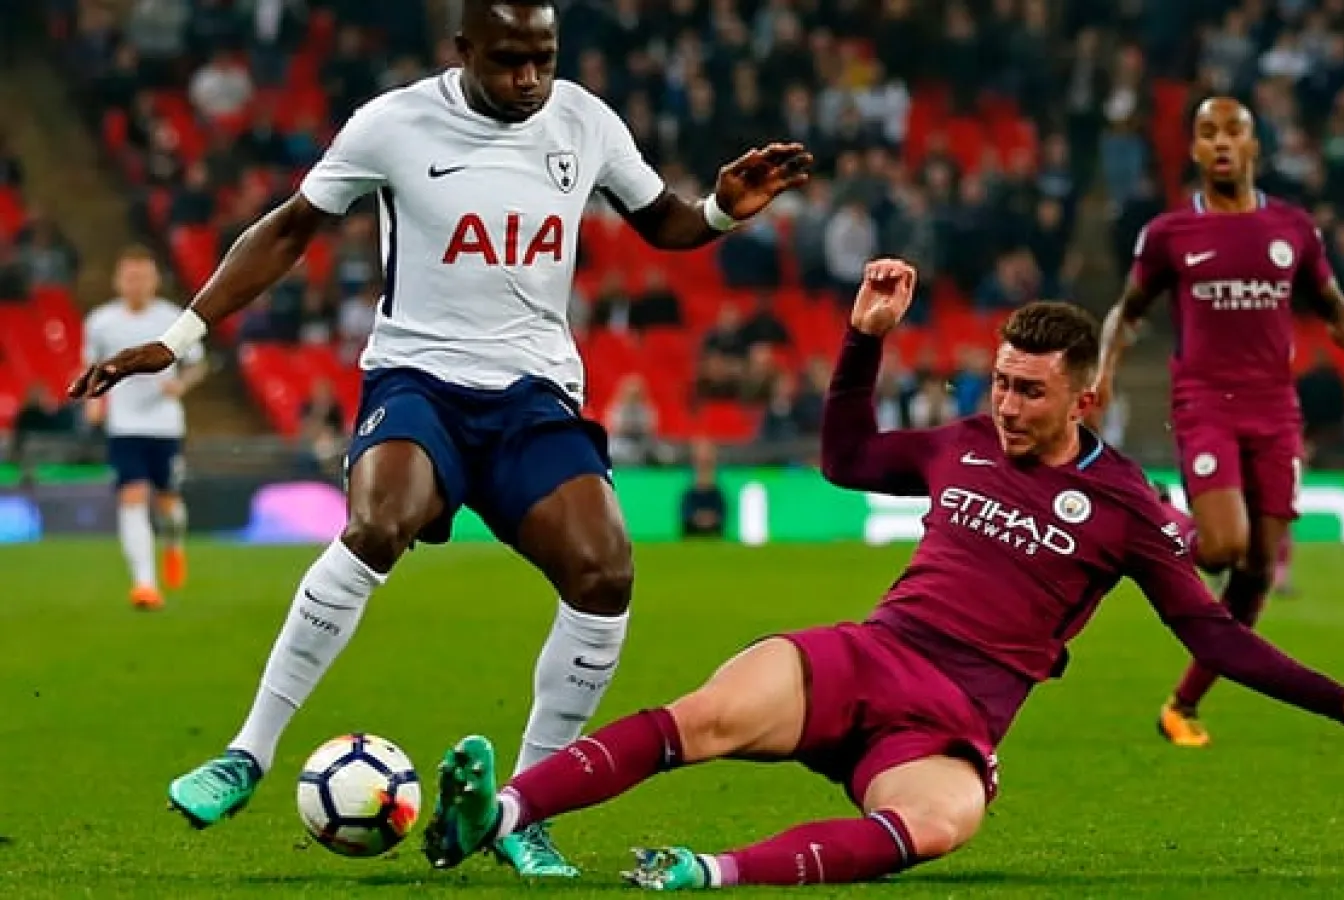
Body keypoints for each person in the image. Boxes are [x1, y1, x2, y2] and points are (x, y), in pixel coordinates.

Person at [68, 0, 811, 877]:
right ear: (463, 50)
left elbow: (664, 223)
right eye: (506, 62)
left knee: (606, 572)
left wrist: (722, 211)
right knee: (378, 523)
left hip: (534, 395)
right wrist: (183, 336)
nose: (528, 79)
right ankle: (247, 752)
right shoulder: (393, 124)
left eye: (542, 58)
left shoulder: (584, 119)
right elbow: (291, 227)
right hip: (418, 381)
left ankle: (525, 813)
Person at [418, 260, 1344, 886]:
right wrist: (862, 347)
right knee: (708, 714)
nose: (1005, 406)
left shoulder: (1129, 507)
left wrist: (1341, 701)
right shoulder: (958, 442)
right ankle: (499, 816)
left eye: (1029, 393)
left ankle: (704, 874)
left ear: (1081, 399)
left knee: (941, 826)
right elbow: (847, 461)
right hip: (869, 656)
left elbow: (1212, 635)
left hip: (950, 720)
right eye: (999, 383)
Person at [1091, 97, 1344, 747]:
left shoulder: (1293, 229)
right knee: (1225, 547)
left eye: (1234, 131)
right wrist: (1104, 371)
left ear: (1254, 145)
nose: (1223, 142)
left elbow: (1333, 303)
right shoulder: (1170, 234)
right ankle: (1165, 513)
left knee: (1258, 569)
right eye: (1208, 133)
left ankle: (1182, 706)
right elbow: (1127, 310)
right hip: (1205, 404)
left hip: (1274, 410)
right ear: (1197, 152)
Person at [81, 246, 205, 610]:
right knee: (132, 496)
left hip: (165, 426)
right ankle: (145, 584)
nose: (136, 284)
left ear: (154, 281)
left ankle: (173, 545)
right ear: (119, 281)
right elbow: (90, 365)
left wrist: (181, 385)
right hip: (124, 425)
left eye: (143, 277)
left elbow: (197, 364)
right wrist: (93, 401)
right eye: (130, 277)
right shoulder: (101, 321)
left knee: (169, 505)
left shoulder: (172, 319)